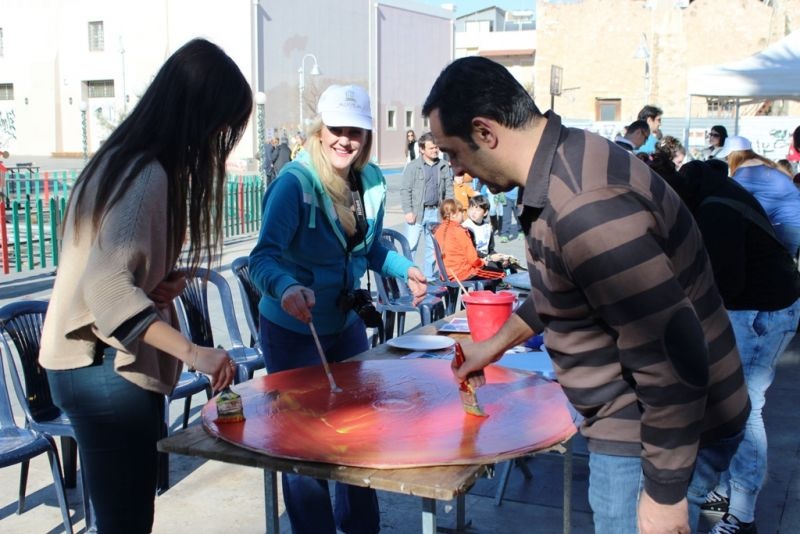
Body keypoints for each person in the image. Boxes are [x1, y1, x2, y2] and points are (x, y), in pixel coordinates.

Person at [423, 56, 750, 534]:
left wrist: (664, 496)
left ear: (485, 131)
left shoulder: (585, 209)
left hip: (654, 429)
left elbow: (671, 360)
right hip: (639, 419)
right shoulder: (562, 162)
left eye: (454, 152)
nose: (458, 169)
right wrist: (491, 347)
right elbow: (568, 287)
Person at [37, 38, 250, 533]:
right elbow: (109, 291)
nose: (222, 137)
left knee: (119, 517)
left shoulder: (117, 159)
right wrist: (196, 353)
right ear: (198, 114)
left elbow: (96, 272)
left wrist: (151, 287)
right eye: (222, 124)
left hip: (81, 365)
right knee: (127, 522)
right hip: (107, 369)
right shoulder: (147, 176)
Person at [248, 84, 427, 534]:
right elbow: (262, 258)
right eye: (337, 129)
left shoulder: (372, 181)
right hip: (294, 330)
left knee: (357, 436)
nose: (345, 139)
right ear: (320, 129)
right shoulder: (294, 183)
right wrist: (287, 286)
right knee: (304, 445)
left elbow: (367, 253)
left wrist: (405, 268)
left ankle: (362, 528)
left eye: (356, 131)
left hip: (345, 324)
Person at [661, 160, 800, 534]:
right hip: (765, 306)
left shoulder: (714, 211)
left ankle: (742, 516)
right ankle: (725, 491)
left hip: (761, 313)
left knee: (745, 409)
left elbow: (725, 285)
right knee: (733, 406)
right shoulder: (716, 192)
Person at [719, 135, 800, 259]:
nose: (727, 161)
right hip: (793, 223)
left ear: (733, 155)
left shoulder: (745, 173)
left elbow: (729, 196)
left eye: (727, 157)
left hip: (783, 226)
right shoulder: (766, 165)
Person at [400, 131, 454, 280]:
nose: (435, 150)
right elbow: (405, 190)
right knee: (410, 247)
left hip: (435, 212)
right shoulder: (412, 167)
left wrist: (448, 211)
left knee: (432, 248)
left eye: (436, 147)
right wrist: (408, 211)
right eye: (431, 148)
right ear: (422, 149)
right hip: (417, 213)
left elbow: (449, 189)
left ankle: (429, 278)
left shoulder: (443, 166)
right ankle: (409, 278)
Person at [433, 199, 504, 284]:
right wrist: (483, 262)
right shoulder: (459, 231)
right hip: (462, 273)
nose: (463, 214)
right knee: (502, 274)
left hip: (446, 273)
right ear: (454, 215)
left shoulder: (438, 230)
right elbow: (473, 259)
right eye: (461, 212)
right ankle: (484, 297)